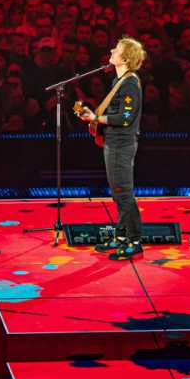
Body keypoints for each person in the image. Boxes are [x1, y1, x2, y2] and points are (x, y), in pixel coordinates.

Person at [78, 36, 145, 258]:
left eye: (116, 49)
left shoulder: (130, 84)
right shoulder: (119, 81)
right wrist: (94, 117)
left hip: (121, 145)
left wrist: (96, 118)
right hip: (113, 143)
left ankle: (134, 240)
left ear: (125, 59)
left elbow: (125, 118)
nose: (112, 50)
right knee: (118, 194)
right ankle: (121, 236)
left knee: (123, 194)